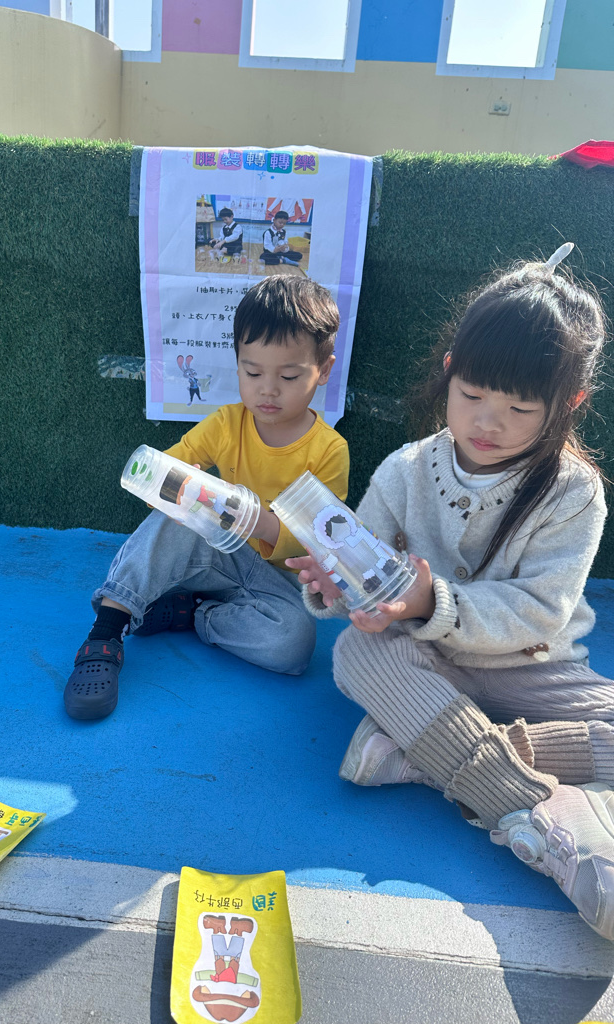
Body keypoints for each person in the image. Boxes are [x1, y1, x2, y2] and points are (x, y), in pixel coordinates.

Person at [288, 244, 614, 941]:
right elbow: (363, 574)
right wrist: (335, 585)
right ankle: (532, 814)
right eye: (471, 396)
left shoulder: (574, 492)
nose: (488, 422)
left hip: (535, 669)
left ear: (569, 404)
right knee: (357, 654)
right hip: (425, 661)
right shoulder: (406, 470)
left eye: (520, 407)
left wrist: (431, 601)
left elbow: (540, 612)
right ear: (448, 373)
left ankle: (421, 753)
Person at [64, 276, 349, 721]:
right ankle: (107, 630)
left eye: (289, 376)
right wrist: (175, 485)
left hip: (276, 582)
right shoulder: (227, 423)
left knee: (294, 645)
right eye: (252, 372)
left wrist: (259, 522)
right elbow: (166, 471)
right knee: (177, 513)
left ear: (324, 370)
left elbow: (322, 542)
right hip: (218, 553)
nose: (268, 389)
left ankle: (194, 613)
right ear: (238, 365)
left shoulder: (329, 450)